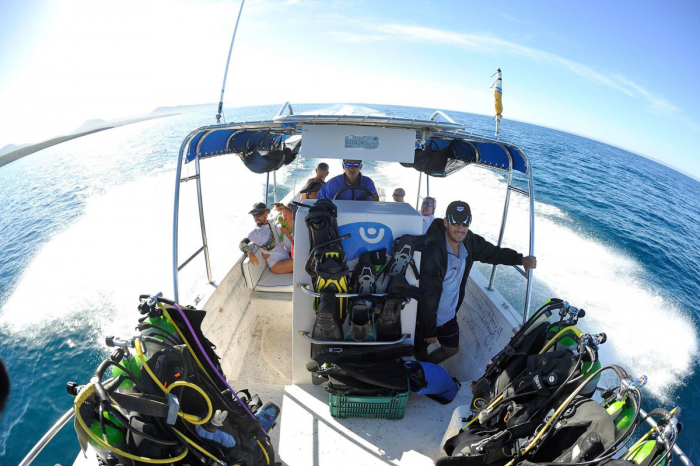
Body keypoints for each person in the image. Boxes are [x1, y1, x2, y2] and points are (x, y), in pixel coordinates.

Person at [415, 200, 537, 364]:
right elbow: (427, 294)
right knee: (420, 349)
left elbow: (492, 253)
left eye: (465, 223)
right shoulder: (433, 251)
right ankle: (418, 372)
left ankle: (423, 371)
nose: (460, 228)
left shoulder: (469, 242)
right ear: (446, 222)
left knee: (451, 348)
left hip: (448, 315)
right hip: (425, 314)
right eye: (455, 222)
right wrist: (429, 328)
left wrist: (520, 259)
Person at [239, 202, 293, 274]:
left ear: (265, 214)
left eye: (258, 214)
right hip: (276, 264)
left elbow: (289, 218)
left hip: (286, 258)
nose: (256, 218)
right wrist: (249, 251)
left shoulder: (271, 223)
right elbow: (242, 243)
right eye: (254, 215)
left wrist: (283, 208)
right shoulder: (255, 233)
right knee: (302, 261)